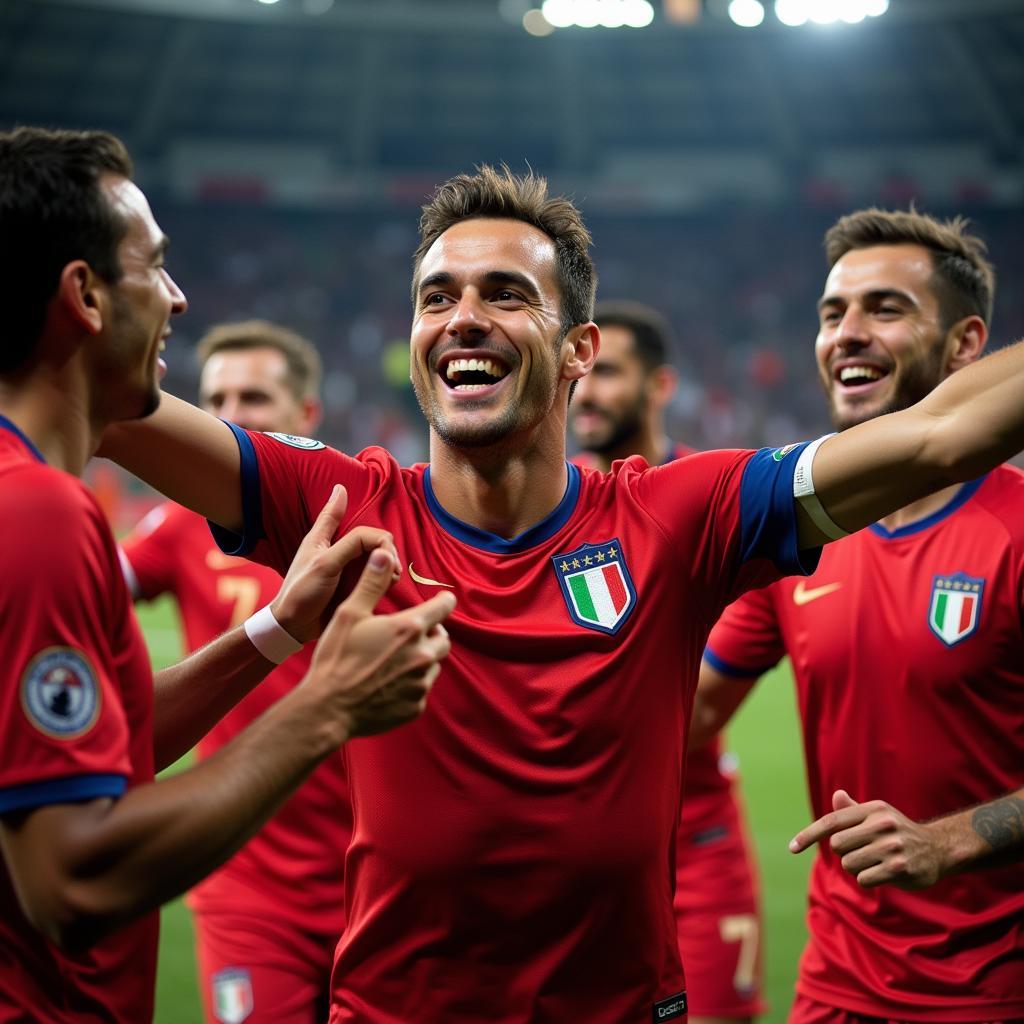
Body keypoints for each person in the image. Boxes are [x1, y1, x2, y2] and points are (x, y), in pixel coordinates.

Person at [101, 163, 1024, 1024]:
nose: (464, 318)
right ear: (414, 341)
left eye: (505, 294)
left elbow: (943, 432)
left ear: (579, 347)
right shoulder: (344, 505)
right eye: (437, 298)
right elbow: (102, 394)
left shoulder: (680, 514)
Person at [0, 125, 455, 1024]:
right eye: (154, 267)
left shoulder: (34, 497)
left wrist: (276, 630)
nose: (176, 298)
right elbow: (72, 882)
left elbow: (95, 752)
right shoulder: (36, 516)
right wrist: (324, 705)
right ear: (84, 296)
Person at [692, 208, 1024, 1023]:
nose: (846, 333)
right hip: (836, 986)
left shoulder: (1017, 530)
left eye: (885, 308)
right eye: (831, 313)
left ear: (965, 344)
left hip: (997, 990)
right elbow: (691, 711)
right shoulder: (798, 546)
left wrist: (948, 842)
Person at [120, 320, 346, 1024]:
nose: (232, 416)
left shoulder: (358, 516)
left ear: (306, 415)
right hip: (245, 877)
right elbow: (92, 583)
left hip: (372, 874)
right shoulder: (180, 522)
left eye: (254, 396)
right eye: (217, 399)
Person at [571, 300, 764, 1024]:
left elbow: (702, 704)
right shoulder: (544, 504)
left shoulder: (718, 505)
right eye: (580, 371)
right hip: (574, 844)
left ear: (661, 386)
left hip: (694, 839)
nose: (585, 390)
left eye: (609, 372)